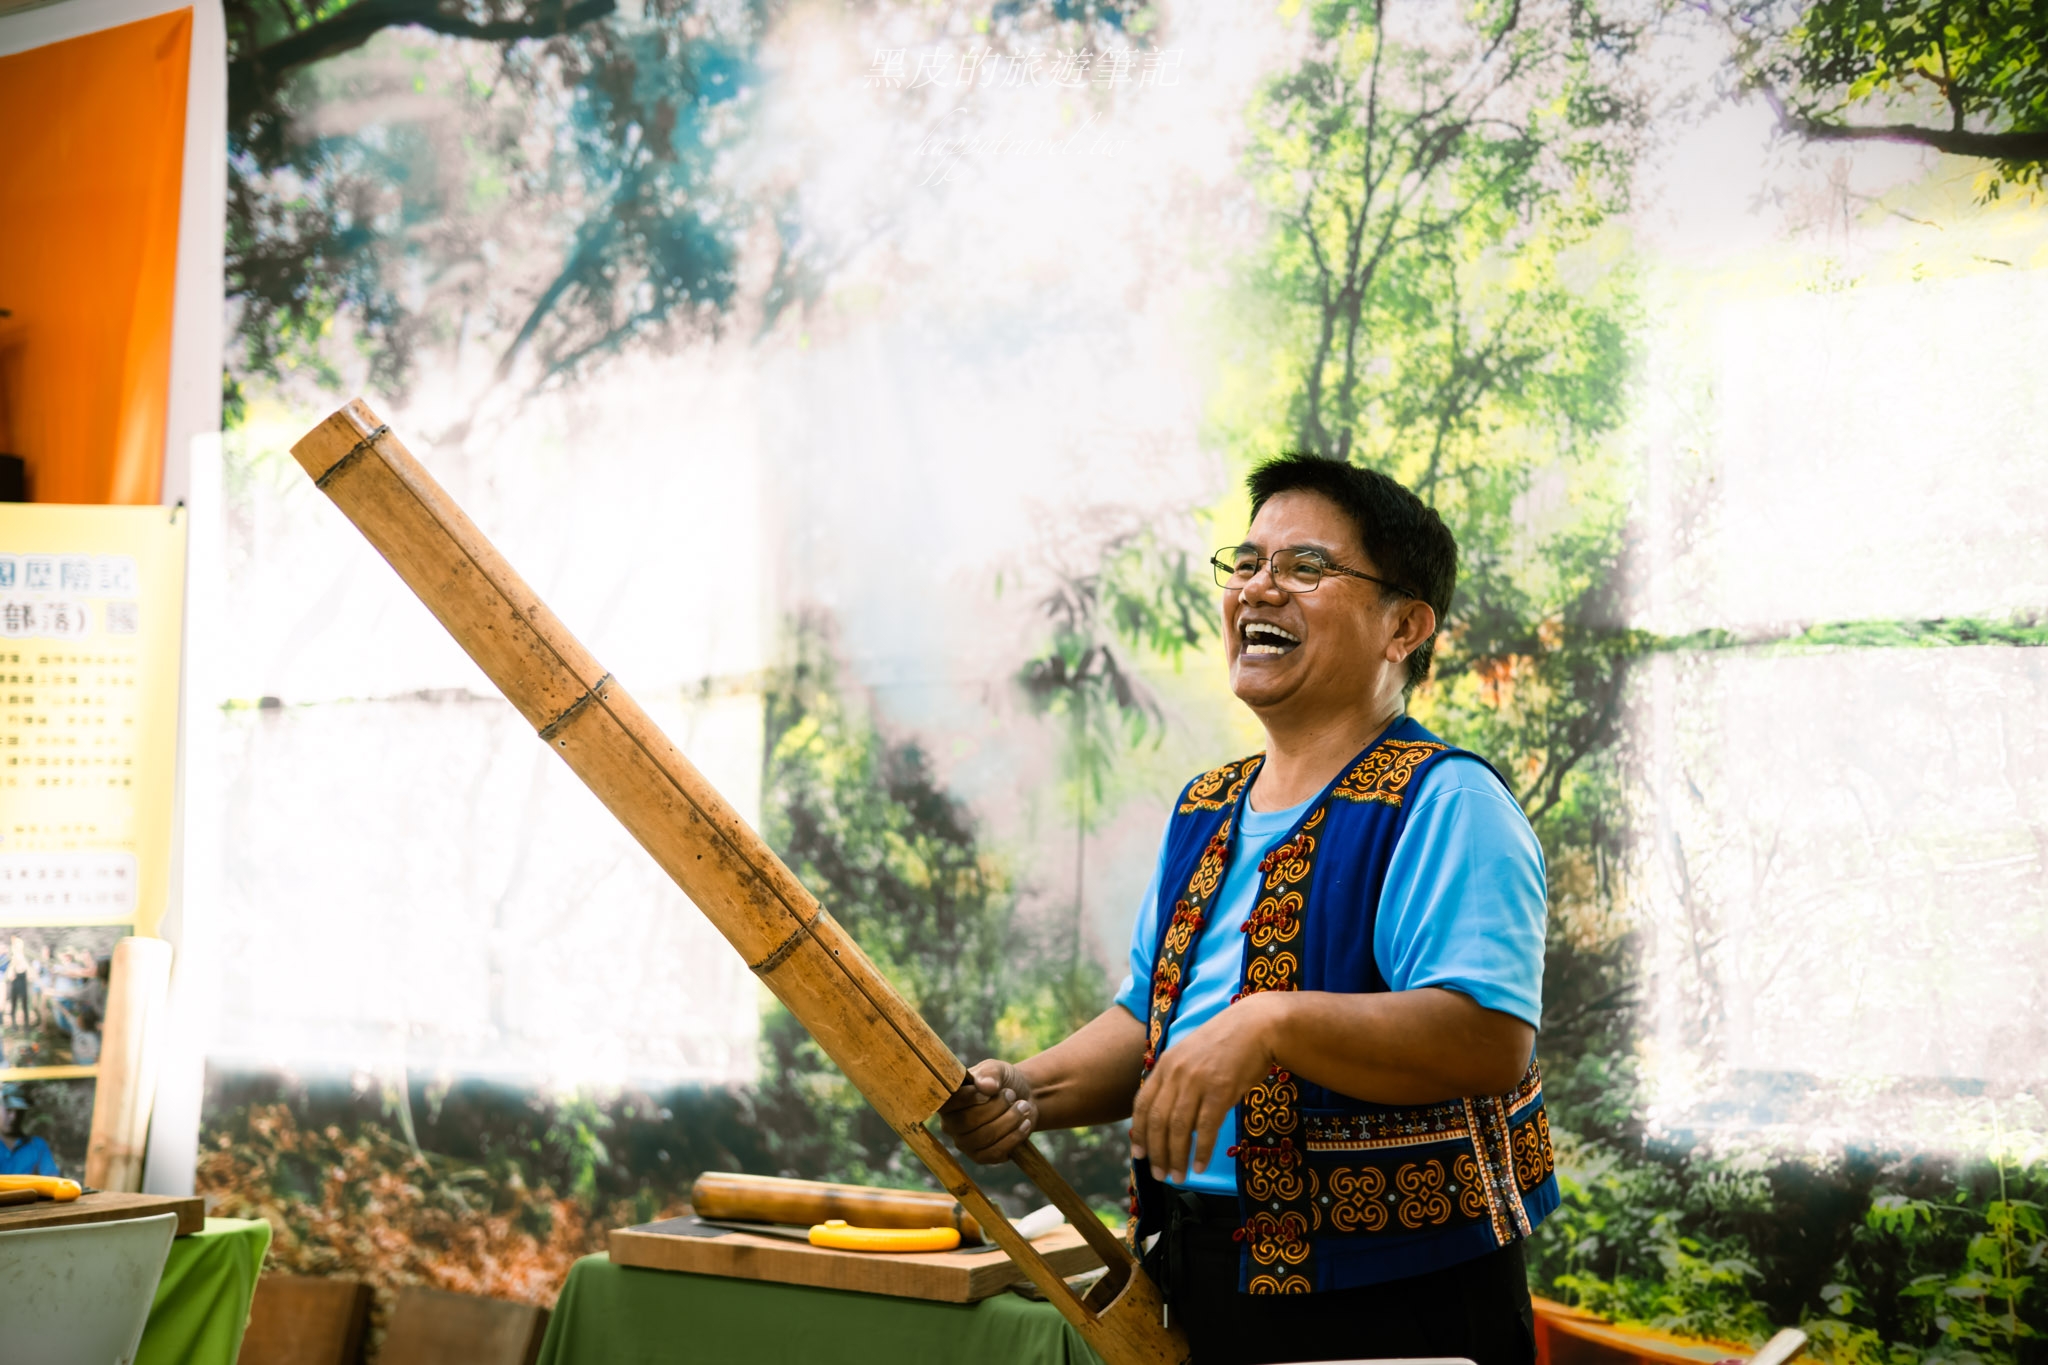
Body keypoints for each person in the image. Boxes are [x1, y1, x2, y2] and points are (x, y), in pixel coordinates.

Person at [942, 454, 1555, 1365]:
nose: (1260, 587)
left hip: (1390, 1297)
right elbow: (1148, 1018)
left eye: (1307, 567)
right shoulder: (1206, 807)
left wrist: (1269, 1022)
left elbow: (1485, 1037)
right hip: (1202, 1274)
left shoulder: (1447, 801)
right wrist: (1031, 1092)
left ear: (1405, 626)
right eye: (1248, 561)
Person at [0, 1084, 61, 1177]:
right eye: (8, 1110)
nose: (13, 1117)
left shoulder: (37, 1145)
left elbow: (52, 1179)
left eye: (19, 1112)